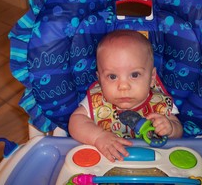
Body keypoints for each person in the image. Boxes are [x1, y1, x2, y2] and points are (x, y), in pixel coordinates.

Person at [68, 30, 183, 162]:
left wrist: (171, 128)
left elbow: (178, 132)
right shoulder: (96, 100)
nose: (123, 86)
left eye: (134, 75)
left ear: (152, 78)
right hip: (106, 162)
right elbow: (75, 121)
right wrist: (98, 137)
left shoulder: (159, 103)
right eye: (112, 76)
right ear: (100, 79)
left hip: (151, 163)